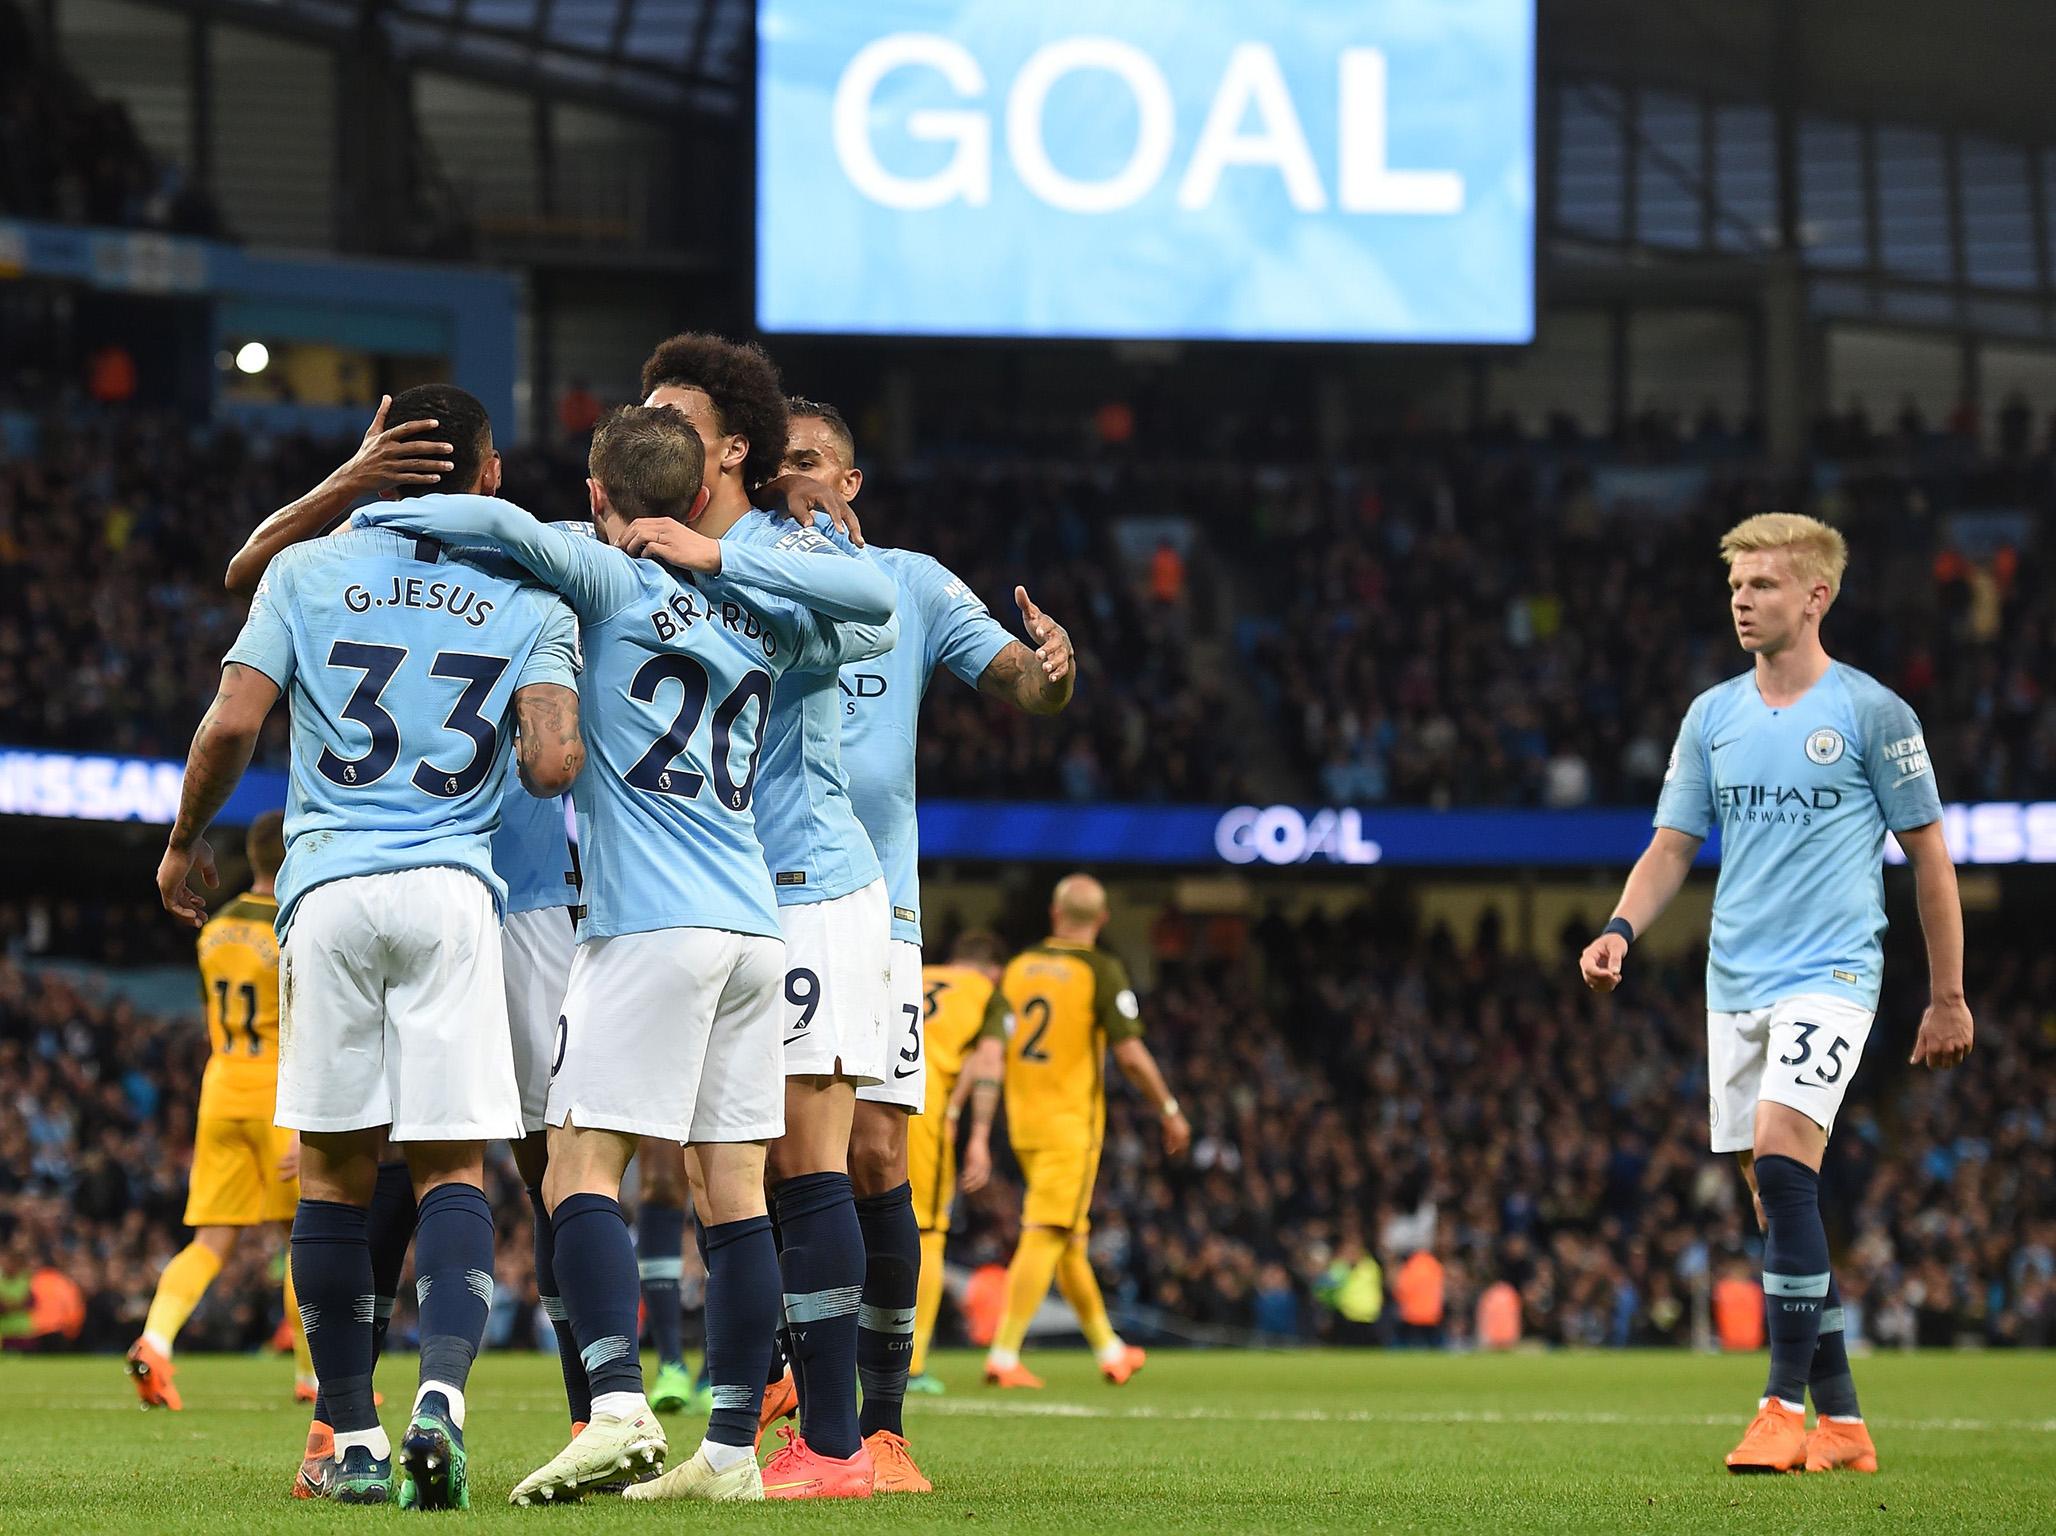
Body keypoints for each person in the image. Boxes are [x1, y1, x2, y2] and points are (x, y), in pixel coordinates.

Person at [355, 404, 898, 1506]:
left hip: (648, 924)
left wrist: (353, 490)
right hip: (755, 926)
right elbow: (875, 603)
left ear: (601, 498)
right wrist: (724, 553)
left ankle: (612, 1407)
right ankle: (735, 1453)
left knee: (577, 1166)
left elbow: (481, 518)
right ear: (700, 496)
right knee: (732, 1186)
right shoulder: (759, 609)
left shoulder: (602, 578)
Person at [158, 383, 585, 1509]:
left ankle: (350, 1438)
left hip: (330, 892)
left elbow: (233, 726)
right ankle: (440, 1400)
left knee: (340, 1181)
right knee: (454, 1170)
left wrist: (182, 842)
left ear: (381, 461)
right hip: (453, 892)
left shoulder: (307, 569)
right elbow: (550, 765)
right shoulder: (526, 587)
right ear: (488, 479)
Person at [1579, 512, 1974, 1476]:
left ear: (1815, 596)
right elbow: (1672, 846)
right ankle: (1844, 1424)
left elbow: (1931, 859)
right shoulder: (1712, 716)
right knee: (1774, 1202)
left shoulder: (1875, 714)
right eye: (1735, 587)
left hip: (1834, 970)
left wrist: (1948, 995)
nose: (1743, 602)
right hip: (1736, 979)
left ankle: (1779, 1406)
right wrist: (1620, 928)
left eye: (1761, 586)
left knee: (1784, 1163)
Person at [771, 396, 1074, 1481]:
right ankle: (788, 1390)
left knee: (873, 1153)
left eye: (808, 462)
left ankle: (882, 1424)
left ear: (850, 483)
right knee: (755, 1154)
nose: (788, 478)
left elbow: (1018, 685)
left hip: (881, 911)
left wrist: (1051, 671)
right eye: (775, 463)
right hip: (754, 895)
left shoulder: (910, 580)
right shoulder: (738, 569)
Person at [630, 339, 899, 1498]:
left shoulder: (784, 545)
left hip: (814, 888)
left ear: (730, 446)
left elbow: (876, 602)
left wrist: (716, 553)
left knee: (806, 1162)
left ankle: (837, 1446)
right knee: (719, 1173)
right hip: (726, 900)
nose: (655, 425)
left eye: (675, 414)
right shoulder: (645, 549)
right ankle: (747, 1437)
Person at [126, 811, 309, 1410]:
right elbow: (307, 1022)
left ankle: (156, 1341)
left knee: (209, 1242)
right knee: (299, 1236)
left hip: (222, 1084)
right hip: (278, 1090)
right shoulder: (293, 925)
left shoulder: (215, 928)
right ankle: (314, 1376)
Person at [984, 875, 1190, 1389]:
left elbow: (994, 1044)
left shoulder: (1018, 968)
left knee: (1069, 1239)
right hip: (1069, 1124)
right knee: (1047, 1230)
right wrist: (1167, 1106)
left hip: (1023, 1119)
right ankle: (1005, 1352)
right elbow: (1130, 1053)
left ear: (1055, 914)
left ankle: (1110, 1348)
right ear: (1101, 920)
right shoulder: (1099, 970)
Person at [904, 930, 1011, 1393]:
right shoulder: (989, 992)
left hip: (861, 1095)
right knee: (926, 1233)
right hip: (921, 1103)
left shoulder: (915, 970)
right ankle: (911, 1362)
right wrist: (977, 1134)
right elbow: (988, 1060)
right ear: (993, 971)